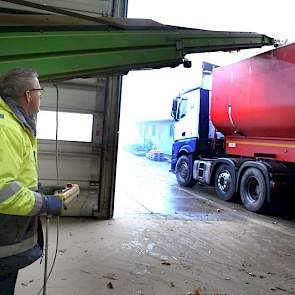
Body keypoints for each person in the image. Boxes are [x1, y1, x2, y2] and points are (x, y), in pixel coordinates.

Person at [0, 69, 64, 294]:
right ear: (28, 94)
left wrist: (42, 191)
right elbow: (2, 190)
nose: (41, 96)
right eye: (40, 91)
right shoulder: (6, 127)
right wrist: (45, 203)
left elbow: (14, 177)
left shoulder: (14, 123)